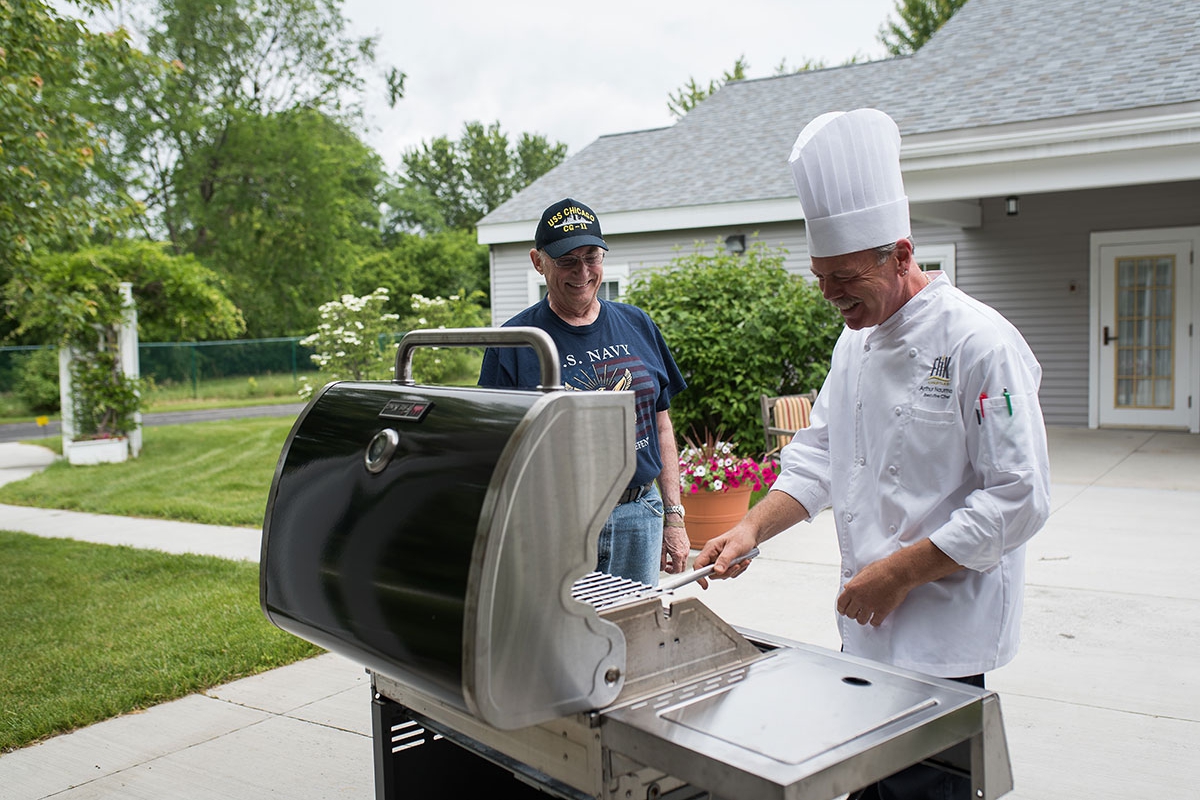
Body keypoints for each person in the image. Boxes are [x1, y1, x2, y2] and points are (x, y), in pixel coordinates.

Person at [692, 109, 1051, 800]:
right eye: (821, 278)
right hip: (865, 636)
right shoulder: (854, 342)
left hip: (944, 641)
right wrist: (749, 529)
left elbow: (1019, 496)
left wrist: (899, 573)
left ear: (902, 253)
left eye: (845, 278)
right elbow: (818, 456)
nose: (831, 297)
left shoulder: (981, 344)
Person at [478, 197, 690, 585]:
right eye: (566, 261)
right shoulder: (514, 342)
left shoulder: (637, 323)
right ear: (537, 261)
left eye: (591, 256)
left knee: (634, 631)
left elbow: (661, 425)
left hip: (639, 515)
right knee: (562, 639)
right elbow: (494, 450)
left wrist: (673, 517)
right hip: (558, 524)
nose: (583, 271)